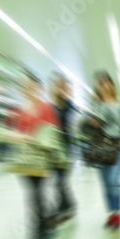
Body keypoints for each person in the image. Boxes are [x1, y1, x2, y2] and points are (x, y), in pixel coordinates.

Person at [7, 72, 60, 239]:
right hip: (24, 161)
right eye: (22, 86)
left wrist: (27, 137)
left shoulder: (46, 108)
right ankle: (48, 224)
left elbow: (50, 134)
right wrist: (14, 135)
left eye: (29, 85)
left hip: (41, 160)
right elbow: (15, 131)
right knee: (35, 198)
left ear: (37, 87)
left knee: (35, 198)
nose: (25, 89)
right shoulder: (20, 109)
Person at [88, 71, 120, 229]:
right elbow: (93, 125)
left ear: (112, 85)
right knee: (105, 183)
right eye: (100, 83)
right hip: (101, 149)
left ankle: (118, 212)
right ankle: (111, 214)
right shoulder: (97, 105)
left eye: (106, 82)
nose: (103, 86)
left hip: (119, 148)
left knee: (113, 181)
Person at [50, 73, 77, 225]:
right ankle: (66, 207)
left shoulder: (69, 106)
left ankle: (68, 207)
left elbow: (70, 121)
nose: (59, 88)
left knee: (60, 182)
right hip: (53, 150)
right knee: (58, 182)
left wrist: (65, 96)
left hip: (66, 149)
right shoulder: (50, 106)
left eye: (62, 86)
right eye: (57, 85)